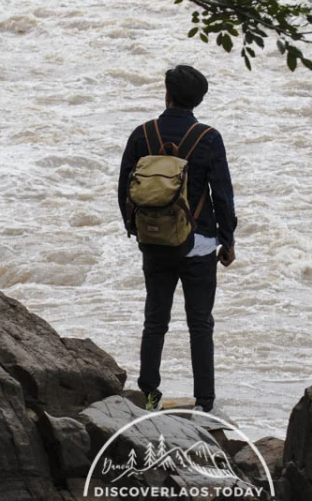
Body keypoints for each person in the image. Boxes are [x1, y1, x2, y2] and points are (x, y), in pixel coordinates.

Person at [118, 64, 236, 414]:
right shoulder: (209, 138)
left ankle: (150, 398)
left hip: (155, 242)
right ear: (198, 101)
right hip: (198, 244)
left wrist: (135, 228)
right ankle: (205, 403)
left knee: (155, 320)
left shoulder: (142, 134)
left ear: (166, 94)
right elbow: (223, 195)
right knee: (200, 323)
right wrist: (227, 241)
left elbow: (125, 187)